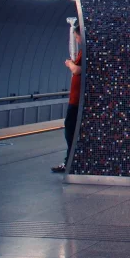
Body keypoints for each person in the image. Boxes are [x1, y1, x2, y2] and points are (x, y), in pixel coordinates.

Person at [52, 28, 82, 173]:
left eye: (77, 37)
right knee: (71, 131)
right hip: (76, 100)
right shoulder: (85, 51)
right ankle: (71, 160)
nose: (76, 40)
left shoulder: (86, 52)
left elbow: (77, 70)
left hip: (77, 102)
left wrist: (70, 63)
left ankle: (70, 162)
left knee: (70, 131)